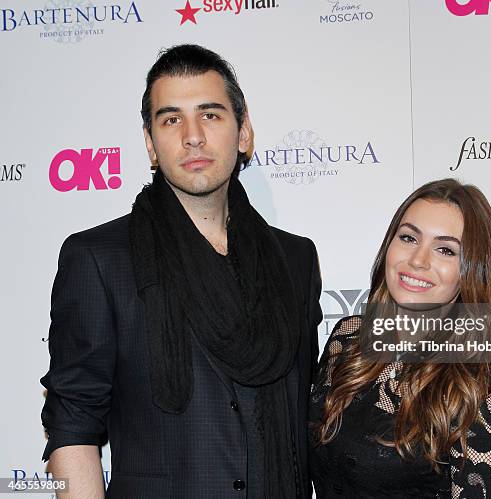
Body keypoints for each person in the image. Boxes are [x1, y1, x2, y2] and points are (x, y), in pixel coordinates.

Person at [41, 44, 322, 499]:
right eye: (172, 119)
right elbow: (73, 423)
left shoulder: (296, 261)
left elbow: (305, 417)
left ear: (244, 131)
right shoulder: (98, 258)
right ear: (151, 143)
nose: (193, 136)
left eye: (210, 115)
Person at [309, 179, 491, 498]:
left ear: (470, 271)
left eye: (445, 249)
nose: (418, 260)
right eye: (408, 237)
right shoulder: (349, 338)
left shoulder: (475, 384)